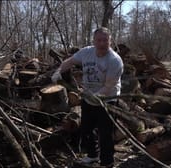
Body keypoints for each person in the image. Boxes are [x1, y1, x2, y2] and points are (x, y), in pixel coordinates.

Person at [51, 27, 124, 167]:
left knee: (105, 133)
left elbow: (109, 86)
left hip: (108, 99)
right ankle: (92, 155)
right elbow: (70, 61)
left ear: (110, 41)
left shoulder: (115, 60)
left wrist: (96, 96)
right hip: (88, 97)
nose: (102, 43)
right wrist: (58, 71)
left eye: (105, 40)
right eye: (99, 40)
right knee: (86, 129)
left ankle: (107, 162)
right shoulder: (86, 52)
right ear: (94, 40)